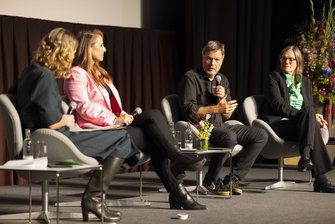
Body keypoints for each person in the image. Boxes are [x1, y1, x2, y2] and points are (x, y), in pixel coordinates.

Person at [8, 28, 141, 222]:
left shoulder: (30, 71)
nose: (72, 56)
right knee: (122, 138)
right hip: (53, 141)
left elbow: (14, 96)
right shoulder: (45, 76)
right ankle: (92, 199)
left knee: (121, 139)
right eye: (70, 51)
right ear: (62, 51)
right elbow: (53, 124)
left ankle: (95, 199)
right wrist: (67, 119)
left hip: (40, 139)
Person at [64, 29, 207, 210]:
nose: (105, 49)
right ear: (88, 48)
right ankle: (178, 187)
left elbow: (111, 105)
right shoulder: (76, 73)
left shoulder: (100, 73)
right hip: (97, 130)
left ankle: (178, 182)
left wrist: (123, 115)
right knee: (152, 135)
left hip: (114, 124)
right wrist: (116, 118)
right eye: (100, 45)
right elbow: (83, 107)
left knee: (153, 117)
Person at [178, 40, 268, 195]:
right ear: (203, 58)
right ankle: (210, 181)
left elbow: (226, 114)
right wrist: (216, 108)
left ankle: (233, 179)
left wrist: (223, 101)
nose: (212, 63)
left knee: (260, 135)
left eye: (217, 59)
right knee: (229, 137)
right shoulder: (191, 78)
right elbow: (188, 110)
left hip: (220, 126)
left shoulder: (223, 80)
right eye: (209, 58)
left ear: (222, 60)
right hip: (199, 128)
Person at [262, 45, 334, 193]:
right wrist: (307, 115)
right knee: (309, 117)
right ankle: (319, 177)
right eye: (283, 58)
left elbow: (308, 107)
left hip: (300, 124)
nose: (286, 62)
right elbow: (278, 105)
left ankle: (306, 159)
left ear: (298, 61)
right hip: (278, 124)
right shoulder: (274, 78)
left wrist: (312, 116)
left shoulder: (306, 82)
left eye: (290, 59)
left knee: (310, 116)